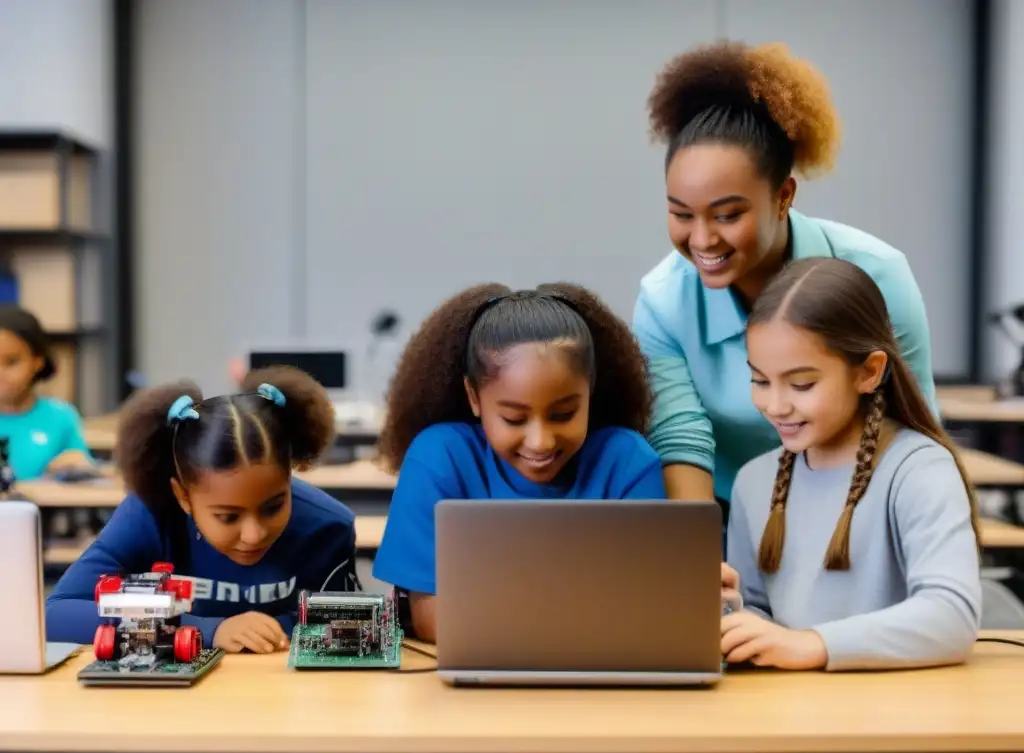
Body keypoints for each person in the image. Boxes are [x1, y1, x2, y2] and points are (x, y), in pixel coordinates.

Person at [632, 40, 937, 514]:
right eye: (681, 214)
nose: (703, 239)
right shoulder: (662, 301)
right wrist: (700, 557)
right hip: (729, 517)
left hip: (857, 511)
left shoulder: (879, 276)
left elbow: (909, 428)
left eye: (728, 215)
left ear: (783, 196)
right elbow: (681, 439)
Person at [722, 257, 981, 672]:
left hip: (896, 720)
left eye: (802, 384)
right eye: (759, 380)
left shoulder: (919, 470)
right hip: (785, 717)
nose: (775, 405)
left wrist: (813, 644)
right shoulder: (753, 481)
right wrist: (733, 616)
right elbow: (759, 616)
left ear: (869, 372)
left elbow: (952, 617)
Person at [372, 283, 666, 641]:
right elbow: (432, 618)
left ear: (591, 389)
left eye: (564, 414)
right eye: (514, 419)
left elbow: (648, 609)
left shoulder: (628, 463)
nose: (540, 441)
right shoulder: (438, 458)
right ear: (474, 397)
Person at [45, 366, 360, 653]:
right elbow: (57, 615)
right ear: (182, 496)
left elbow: (351, 629)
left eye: (273, 506)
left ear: (289, 477)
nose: (254, 534)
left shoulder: (327, 526)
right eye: (228, 516)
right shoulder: (149, 516)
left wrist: (280, 629)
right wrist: (205, 629)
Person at [0, 305, 93, 480]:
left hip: (43, 506)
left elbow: (82, 468)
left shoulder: (60, 416)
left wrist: (73, 465)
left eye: (11, 362)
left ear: (37, 361)